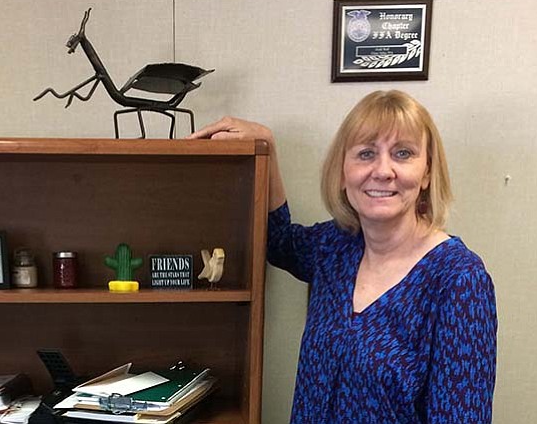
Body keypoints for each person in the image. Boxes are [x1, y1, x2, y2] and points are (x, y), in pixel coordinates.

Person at [187, 90, 497, 423]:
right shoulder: (334, 247)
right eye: (366, 153)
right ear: (342, 171)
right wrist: (269, 150)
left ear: (426, 173)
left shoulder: (459, 280)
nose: (383, 170)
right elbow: (278, 242)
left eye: (403, 153)